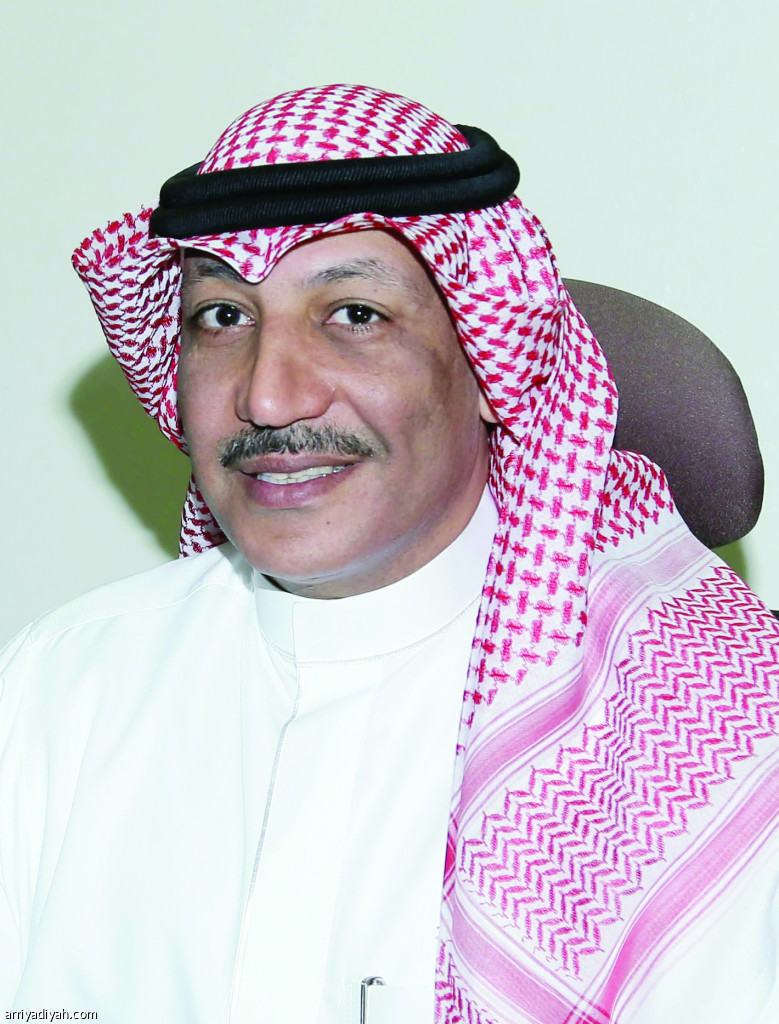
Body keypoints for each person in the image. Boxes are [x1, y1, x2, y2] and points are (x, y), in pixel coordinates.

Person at [1, 84, 778, 1024]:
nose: (268, 398)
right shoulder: (64, 683)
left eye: (354, 315)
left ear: (490, 362)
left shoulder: (723, 731)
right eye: (222, 317)